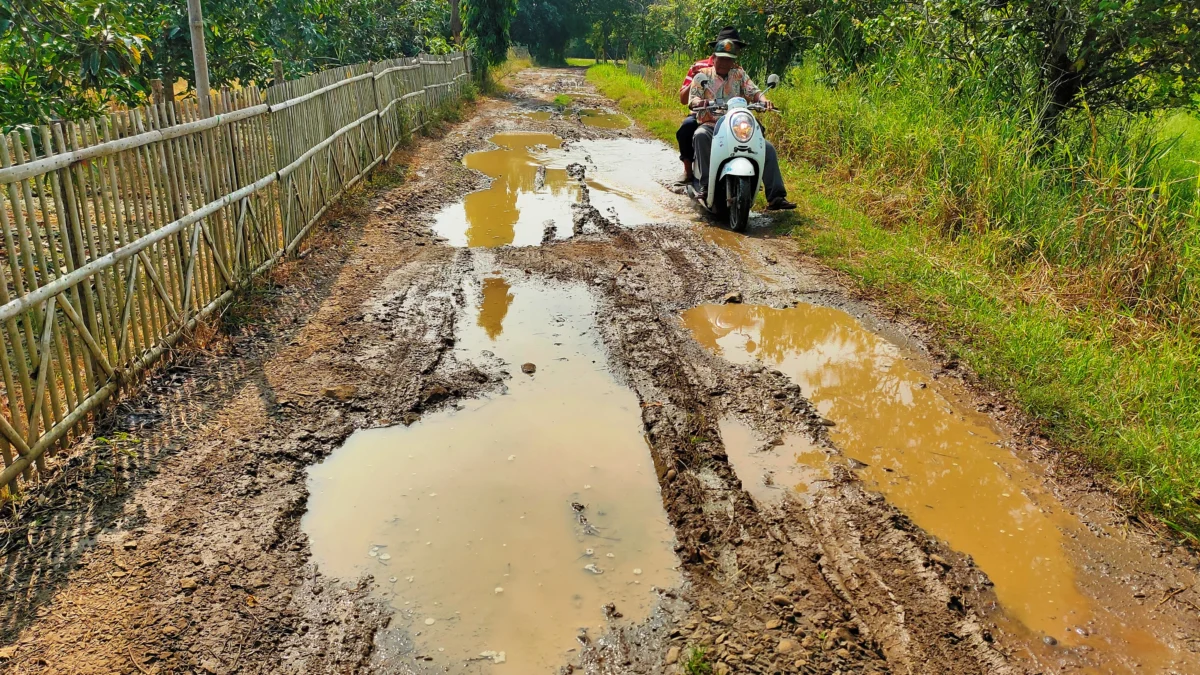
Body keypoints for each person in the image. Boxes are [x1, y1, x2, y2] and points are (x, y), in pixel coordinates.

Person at [689, 31, 796, 210]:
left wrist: (763, 101)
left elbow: (753, 91)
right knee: (700, 135)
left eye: (729, 59)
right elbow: (693, 99)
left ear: (733, 60)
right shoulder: (703, 75)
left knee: (766, 147)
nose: (725, 62)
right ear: (714, 58)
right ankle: (707, 186)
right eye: (721, 58)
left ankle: (776, 196)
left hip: (737, 124)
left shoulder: (739, 74)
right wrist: (701, 102)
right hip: (712, 124)